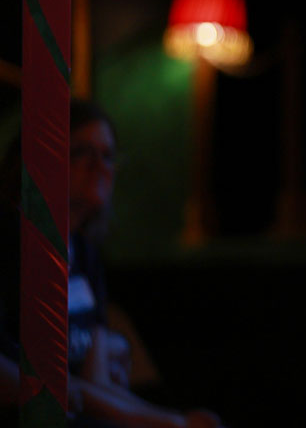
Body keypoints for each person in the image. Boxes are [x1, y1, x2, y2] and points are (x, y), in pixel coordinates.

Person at [0, 101, 224, 428]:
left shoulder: (84, 252)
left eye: (108, 156)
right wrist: (171, 423)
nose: (100, 167)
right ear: (43, 155)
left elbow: (96, 383)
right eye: (83, 152)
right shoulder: (10, 237)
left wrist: (176, 419)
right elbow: (61, 389)